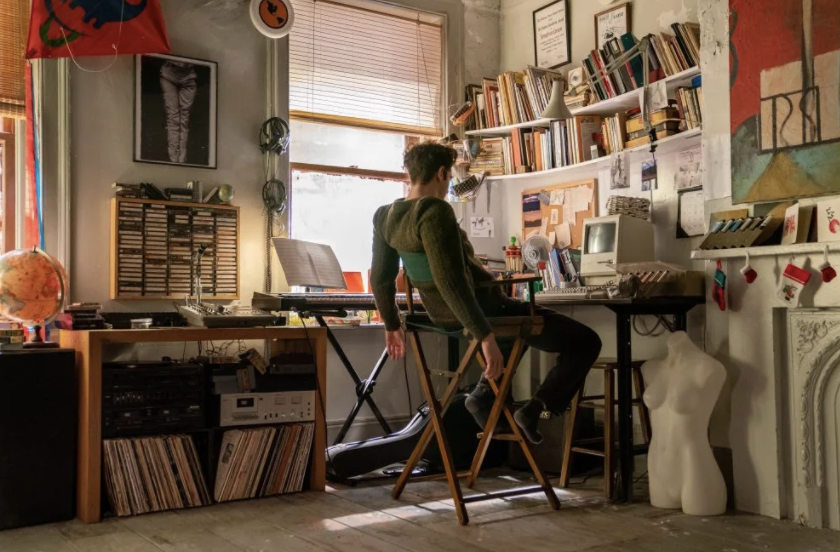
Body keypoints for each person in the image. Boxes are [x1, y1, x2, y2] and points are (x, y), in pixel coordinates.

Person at [370, 142, 602, 444]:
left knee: (515, 330)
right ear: (441, 173)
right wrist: (484, 335)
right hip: (483, 312)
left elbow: (380, 278)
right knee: (586, 342)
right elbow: (451, 281)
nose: (449, 185)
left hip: (444, 317)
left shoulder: (385, 216)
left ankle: (482, 396)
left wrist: (391, 324)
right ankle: (534, 409)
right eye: (450, 177)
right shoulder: (434, 210)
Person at [159, 60, 198, 164]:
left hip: (188, 77)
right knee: (173, 117)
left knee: (184, 119)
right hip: (169, 74)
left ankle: (181, 160)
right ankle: (174, 160)